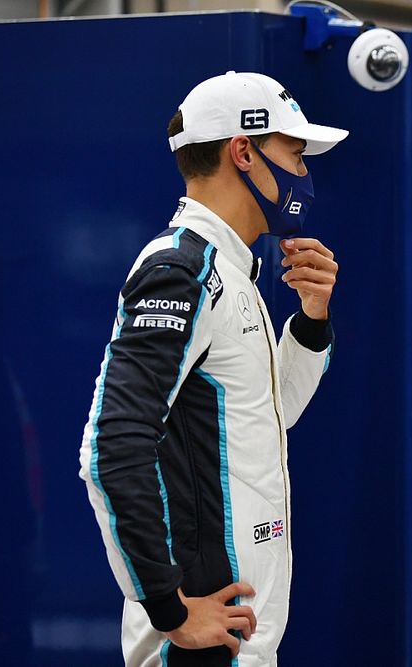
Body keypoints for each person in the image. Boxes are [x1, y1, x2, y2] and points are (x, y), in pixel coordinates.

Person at [79, 71, 347, 666]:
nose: (304, 173)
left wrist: (311, 319)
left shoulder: (233, 269)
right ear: (244, 151)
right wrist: (169, 609)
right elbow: (110, 447)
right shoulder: (183, 269)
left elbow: (274, 417)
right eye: (296, 153)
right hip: (204, 638)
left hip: (242, 634)